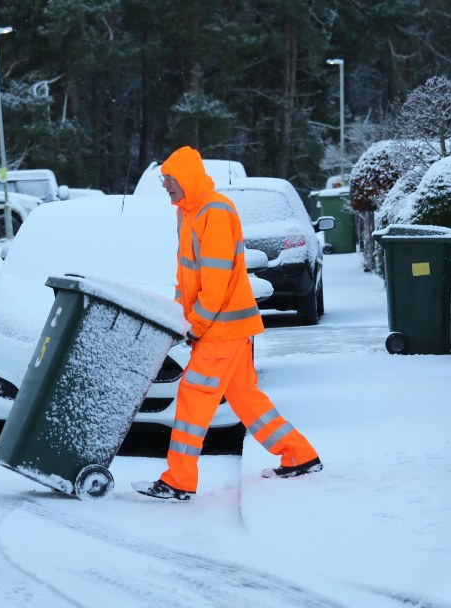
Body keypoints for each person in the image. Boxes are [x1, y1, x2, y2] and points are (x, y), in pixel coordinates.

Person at [133, 146, 322, 501]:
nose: (165, 187)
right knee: (247, 399)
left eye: (169, 180)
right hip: (225, 329)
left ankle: (178, 480)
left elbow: (216, 283)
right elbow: (189, 277)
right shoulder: (188, 213)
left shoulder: (215, 212)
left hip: (221, 329)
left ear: (185, 178)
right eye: (163, 180)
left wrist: (197, 325)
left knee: (192, 400)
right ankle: (300, 455)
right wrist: (178, 315)